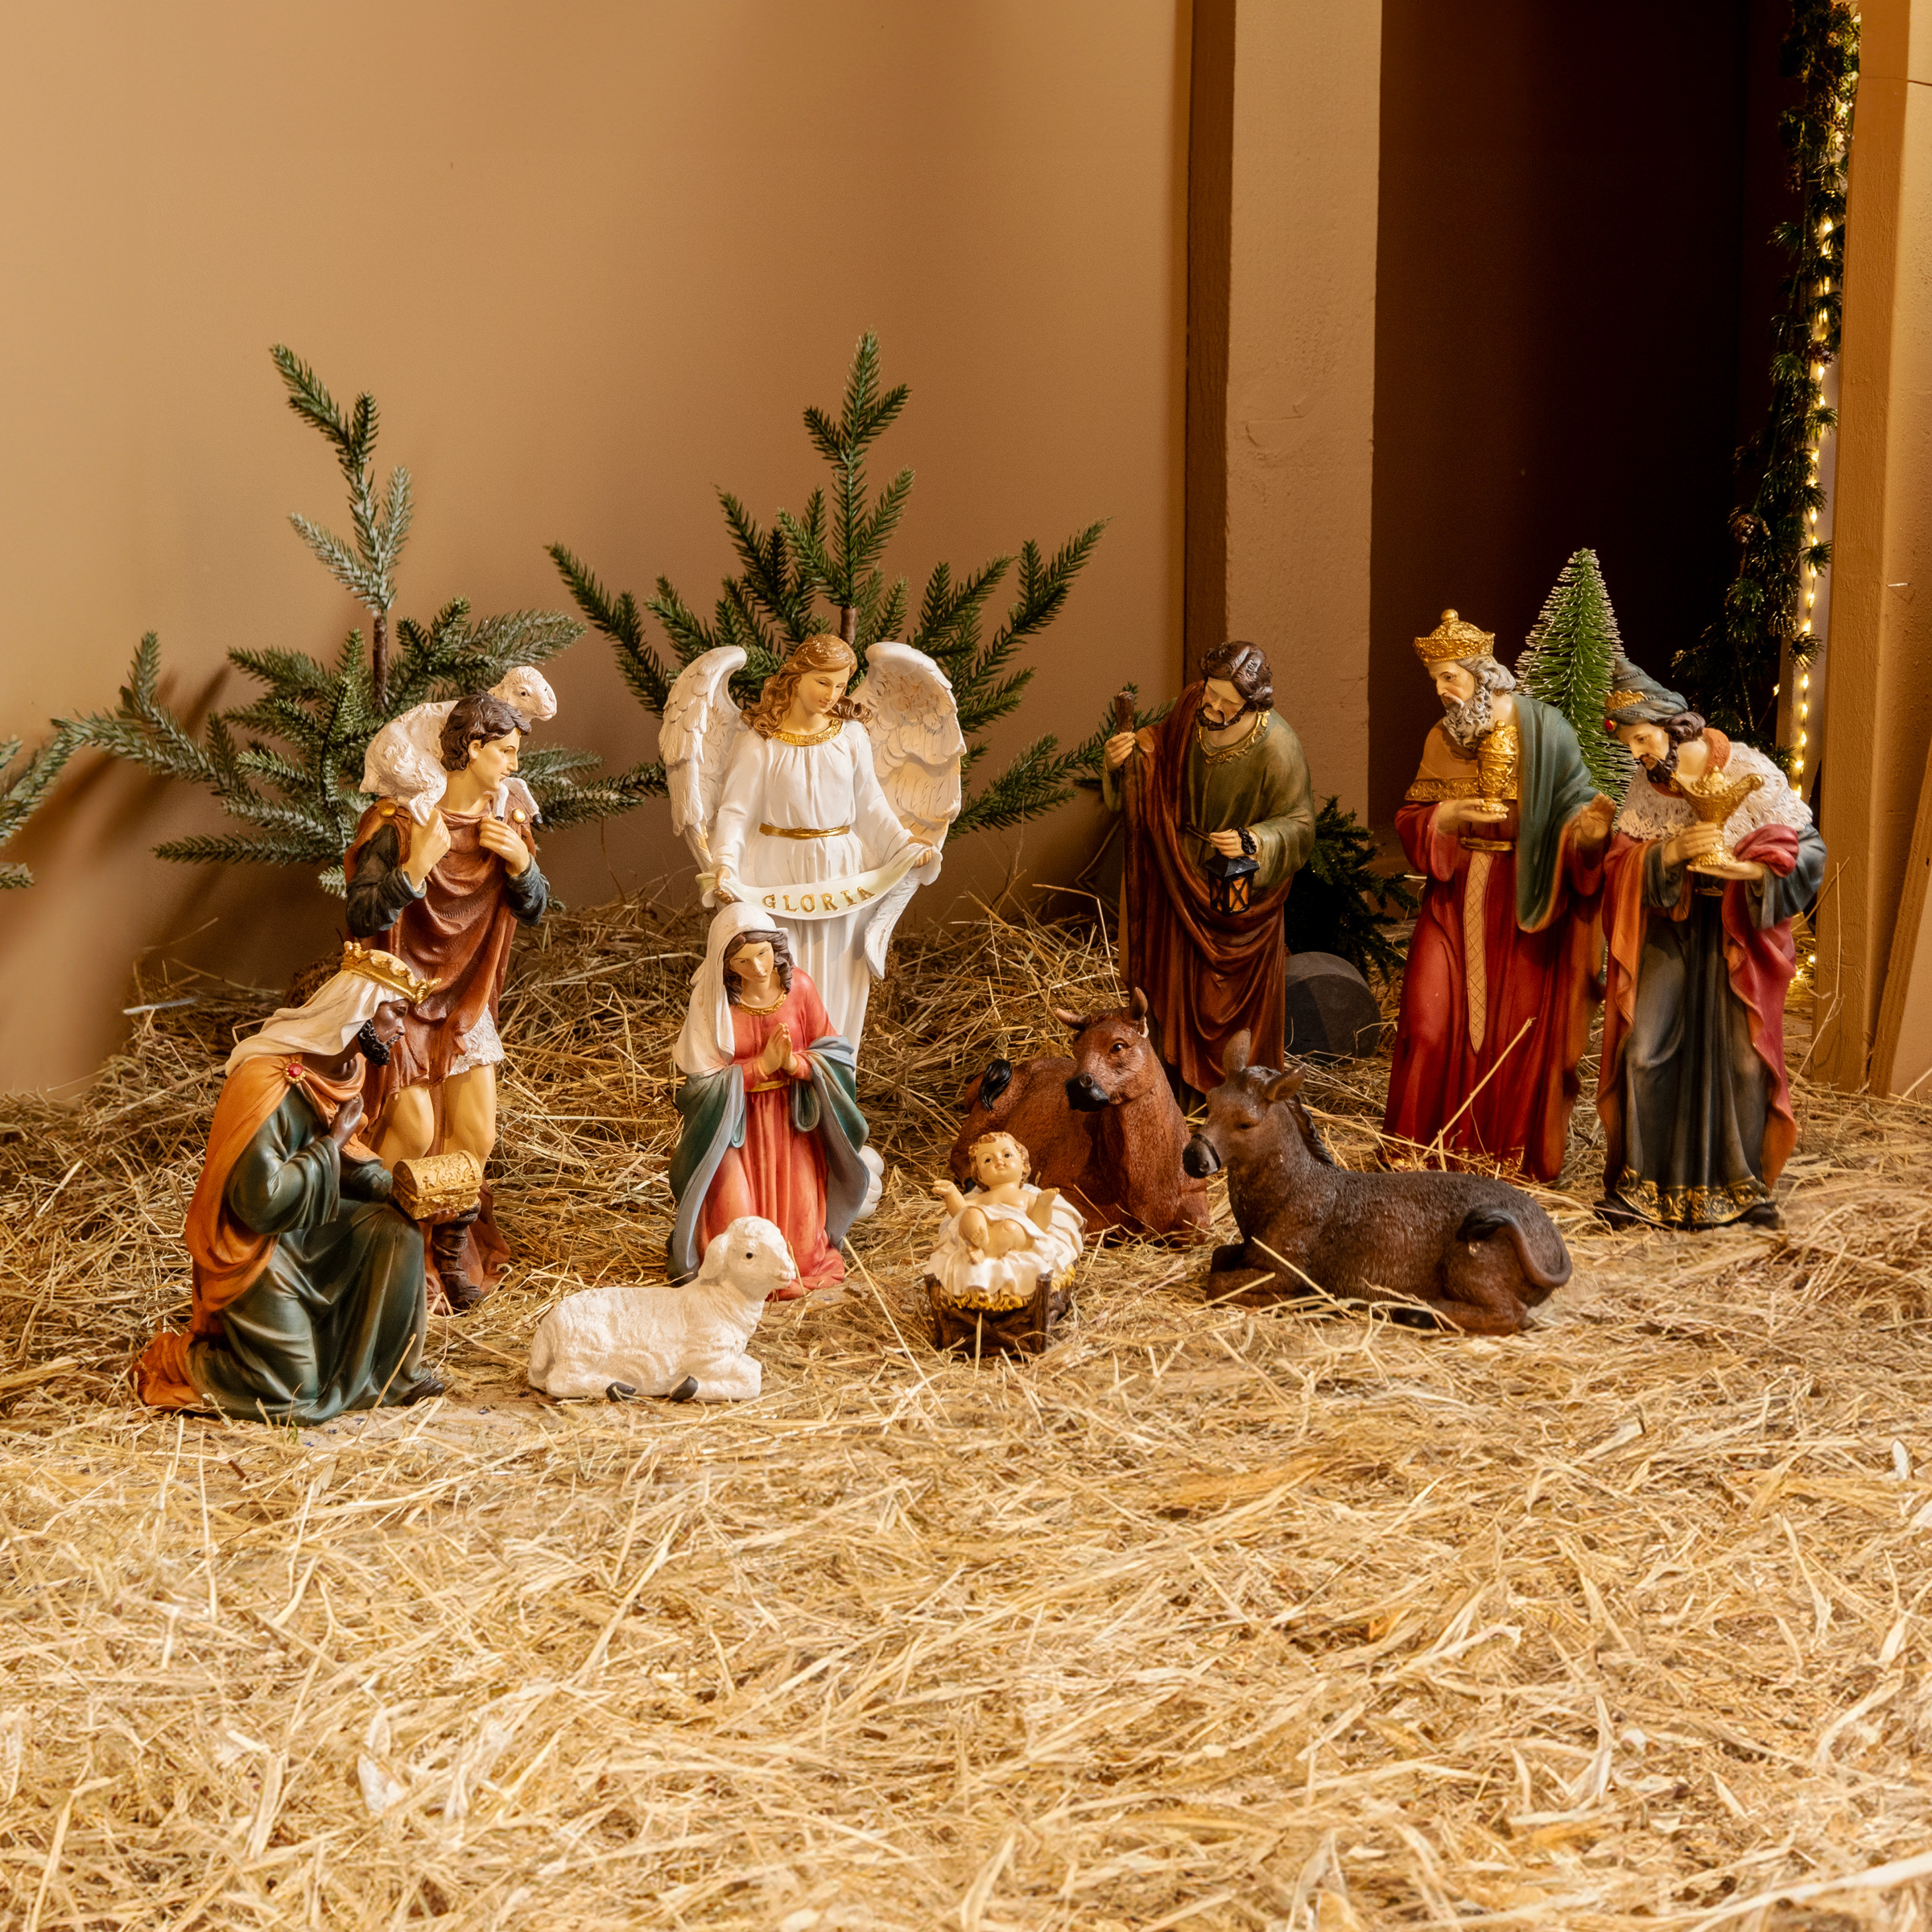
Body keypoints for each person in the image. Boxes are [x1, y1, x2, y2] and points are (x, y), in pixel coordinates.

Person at [134, 944, 440, 1422]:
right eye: (397, 1013)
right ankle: (179, 1360)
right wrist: (334, 1142)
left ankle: (392, 1373)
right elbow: (259, 1201)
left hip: (304, 1230)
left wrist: (404, 1191)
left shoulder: (346, 1070)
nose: (402, 1028)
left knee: (396, 1230)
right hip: (256, 1250)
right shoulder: (267, 1080)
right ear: (360, 1009)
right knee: (295, 1394)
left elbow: (349, 1162)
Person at [1381, 609, 1614, 1182]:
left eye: (1450, 677)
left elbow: (1576, 814)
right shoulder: (1442, 737)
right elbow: (1412, 817)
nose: (1441, 691)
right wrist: (1444, 817)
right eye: (1435, 680)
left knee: (1516, 1034)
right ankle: (1416, 1156)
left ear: (1482, 673)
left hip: (1522, 901)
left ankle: (1497, 1158)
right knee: (1427, 1023)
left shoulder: (1546, 731)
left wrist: (1588, 837)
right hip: (1453, 898)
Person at [1596, 654, 1826, 1229]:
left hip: (1734, 933)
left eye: (1642, 738)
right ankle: (1642, 1185)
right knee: (1643, 1049)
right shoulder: (1648, 785)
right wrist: (1668, 854)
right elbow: (1621, 863)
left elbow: (1808, 852)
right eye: (1628, 744)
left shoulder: (1746, 766)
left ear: (1673, 725)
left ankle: (1741, 1186)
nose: (1638, 754)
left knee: (1745, 1063)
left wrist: (1748, 873)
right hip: (1672, 930)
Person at [345, 689, 549, 1308]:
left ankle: (449, 1248)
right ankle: (378, 1247)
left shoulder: (508, 822)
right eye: (506, 751)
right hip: (401, 1001)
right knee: (412, 1131)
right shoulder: (401, 824)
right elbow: (360, 915)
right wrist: (414, 870)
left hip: (466, 1001)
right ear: (474, 747)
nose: (514, 764)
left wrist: (523, 868)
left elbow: (534, 909)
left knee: (476, 1135)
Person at [1101, 639, 1316, 1096]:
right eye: (1210, 694)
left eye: (1227, 703)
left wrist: (1253, 840)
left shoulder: (1279, 746)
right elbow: (1158, 747)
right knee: (1173, 985)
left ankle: (1235, 1100)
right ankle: (1170, 1095)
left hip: (1236, 888)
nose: (1213, 706)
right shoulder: (1192, 706)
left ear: (1253, 704)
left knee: (1224, 1000)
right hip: (1177, 872)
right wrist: (1126, 758)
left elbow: (1300, 826)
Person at [710, 633, 936, 1053]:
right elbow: (736, 812)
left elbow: (871, 806)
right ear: (796, 677)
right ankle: (787, 1074)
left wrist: (903, 846)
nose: (831, 694)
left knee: (840, 971)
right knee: (782, 969)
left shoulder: (851, 737)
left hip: (841, 871)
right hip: (778, 869)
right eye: (822, 682)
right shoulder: (761, 740)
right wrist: (724, 862)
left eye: (840, 685)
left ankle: (834, 1071)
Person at [667, 902, 872, 1293]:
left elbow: (836, 1055)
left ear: (775, 948)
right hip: (734, 1132)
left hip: (792, 1125)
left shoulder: (800, 988)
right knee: (736, 1236)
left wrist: (795, 1064)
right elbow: (699, 1086)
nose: (758, 968)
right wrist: (760, 1067)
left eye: (762, 954)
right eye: (743, 962)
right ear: (726, 966)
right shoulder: (712, 1002)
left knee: (801, 1255)